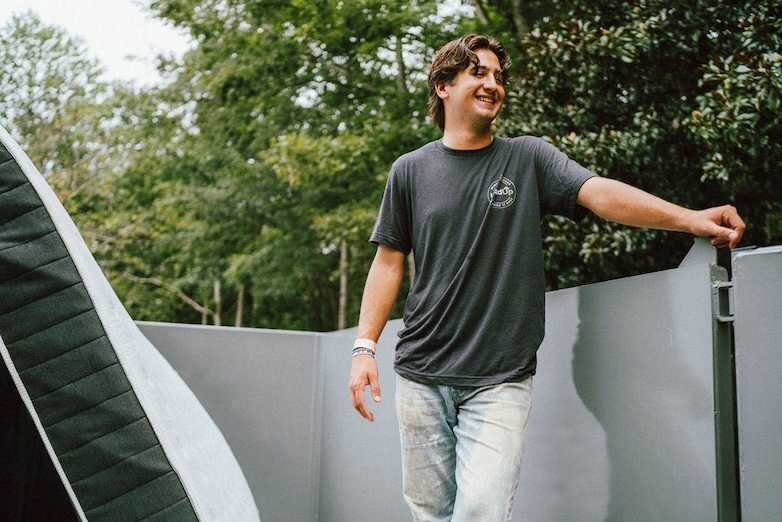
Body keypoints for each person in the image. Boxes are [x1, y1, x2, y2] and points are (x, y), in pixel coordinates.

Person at [348, 33, 745, 521]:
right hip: (420, 374)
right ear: (443, 85)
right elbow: (388, 262)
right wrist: (364, 347)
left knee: (479, 512)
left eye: (499, 76)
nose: (494, 83)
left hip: (500, 378)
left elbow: (599, 193)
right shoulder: (409, 171)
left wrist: (689, 218)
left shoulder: (527, 157)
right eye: (479, 72)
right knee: (429, 514)